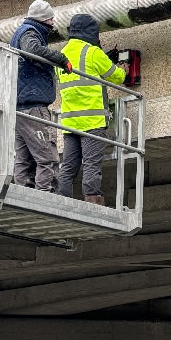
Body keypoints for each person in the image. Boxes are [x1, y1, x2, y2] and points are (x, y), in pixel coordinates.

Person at [56, 14, 125, 205]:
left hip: (70, 123)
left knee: (68, 166)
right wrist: (121, 67)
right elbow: (118, 77)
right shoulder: (93, 52)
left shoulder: (62, 53)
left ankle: (62, 201)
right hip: (92, 122)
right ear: (92, 31)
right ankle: (93, 201)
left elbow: (82, 74)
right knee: (91, 165)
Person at [10, 0, 72, 193]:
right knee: (47, 156)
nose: (53, 22)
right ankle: (46, 195)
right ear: (44, 19)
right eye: (51, 18)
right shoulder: (30, 33)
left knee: (24, 158)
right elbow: (31, 49)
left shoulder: (22, 32)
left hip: (19, 107)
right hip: (33, 106)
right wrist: (60, 59)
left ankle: (23, 193)